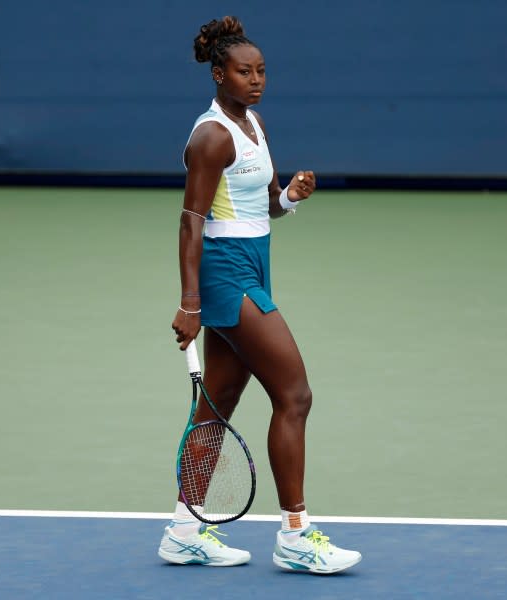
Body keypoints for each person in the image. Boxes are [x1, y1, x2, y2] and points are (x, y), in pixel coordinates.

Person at [157, 16, 361, 574]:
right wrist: (190, 302)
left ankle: (183, 530)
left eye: (261, 71)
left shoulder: (254, 125)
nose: (255, 80)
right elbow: (191, 221)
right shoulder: (211, 135)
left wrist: (290, 197)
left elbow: (263, 205)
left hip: (255, 262)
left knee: (217, 401)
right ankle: (295, 534)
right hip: (226, 273)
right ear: (218, 73)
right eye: (243, 71)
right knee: (294, 395)